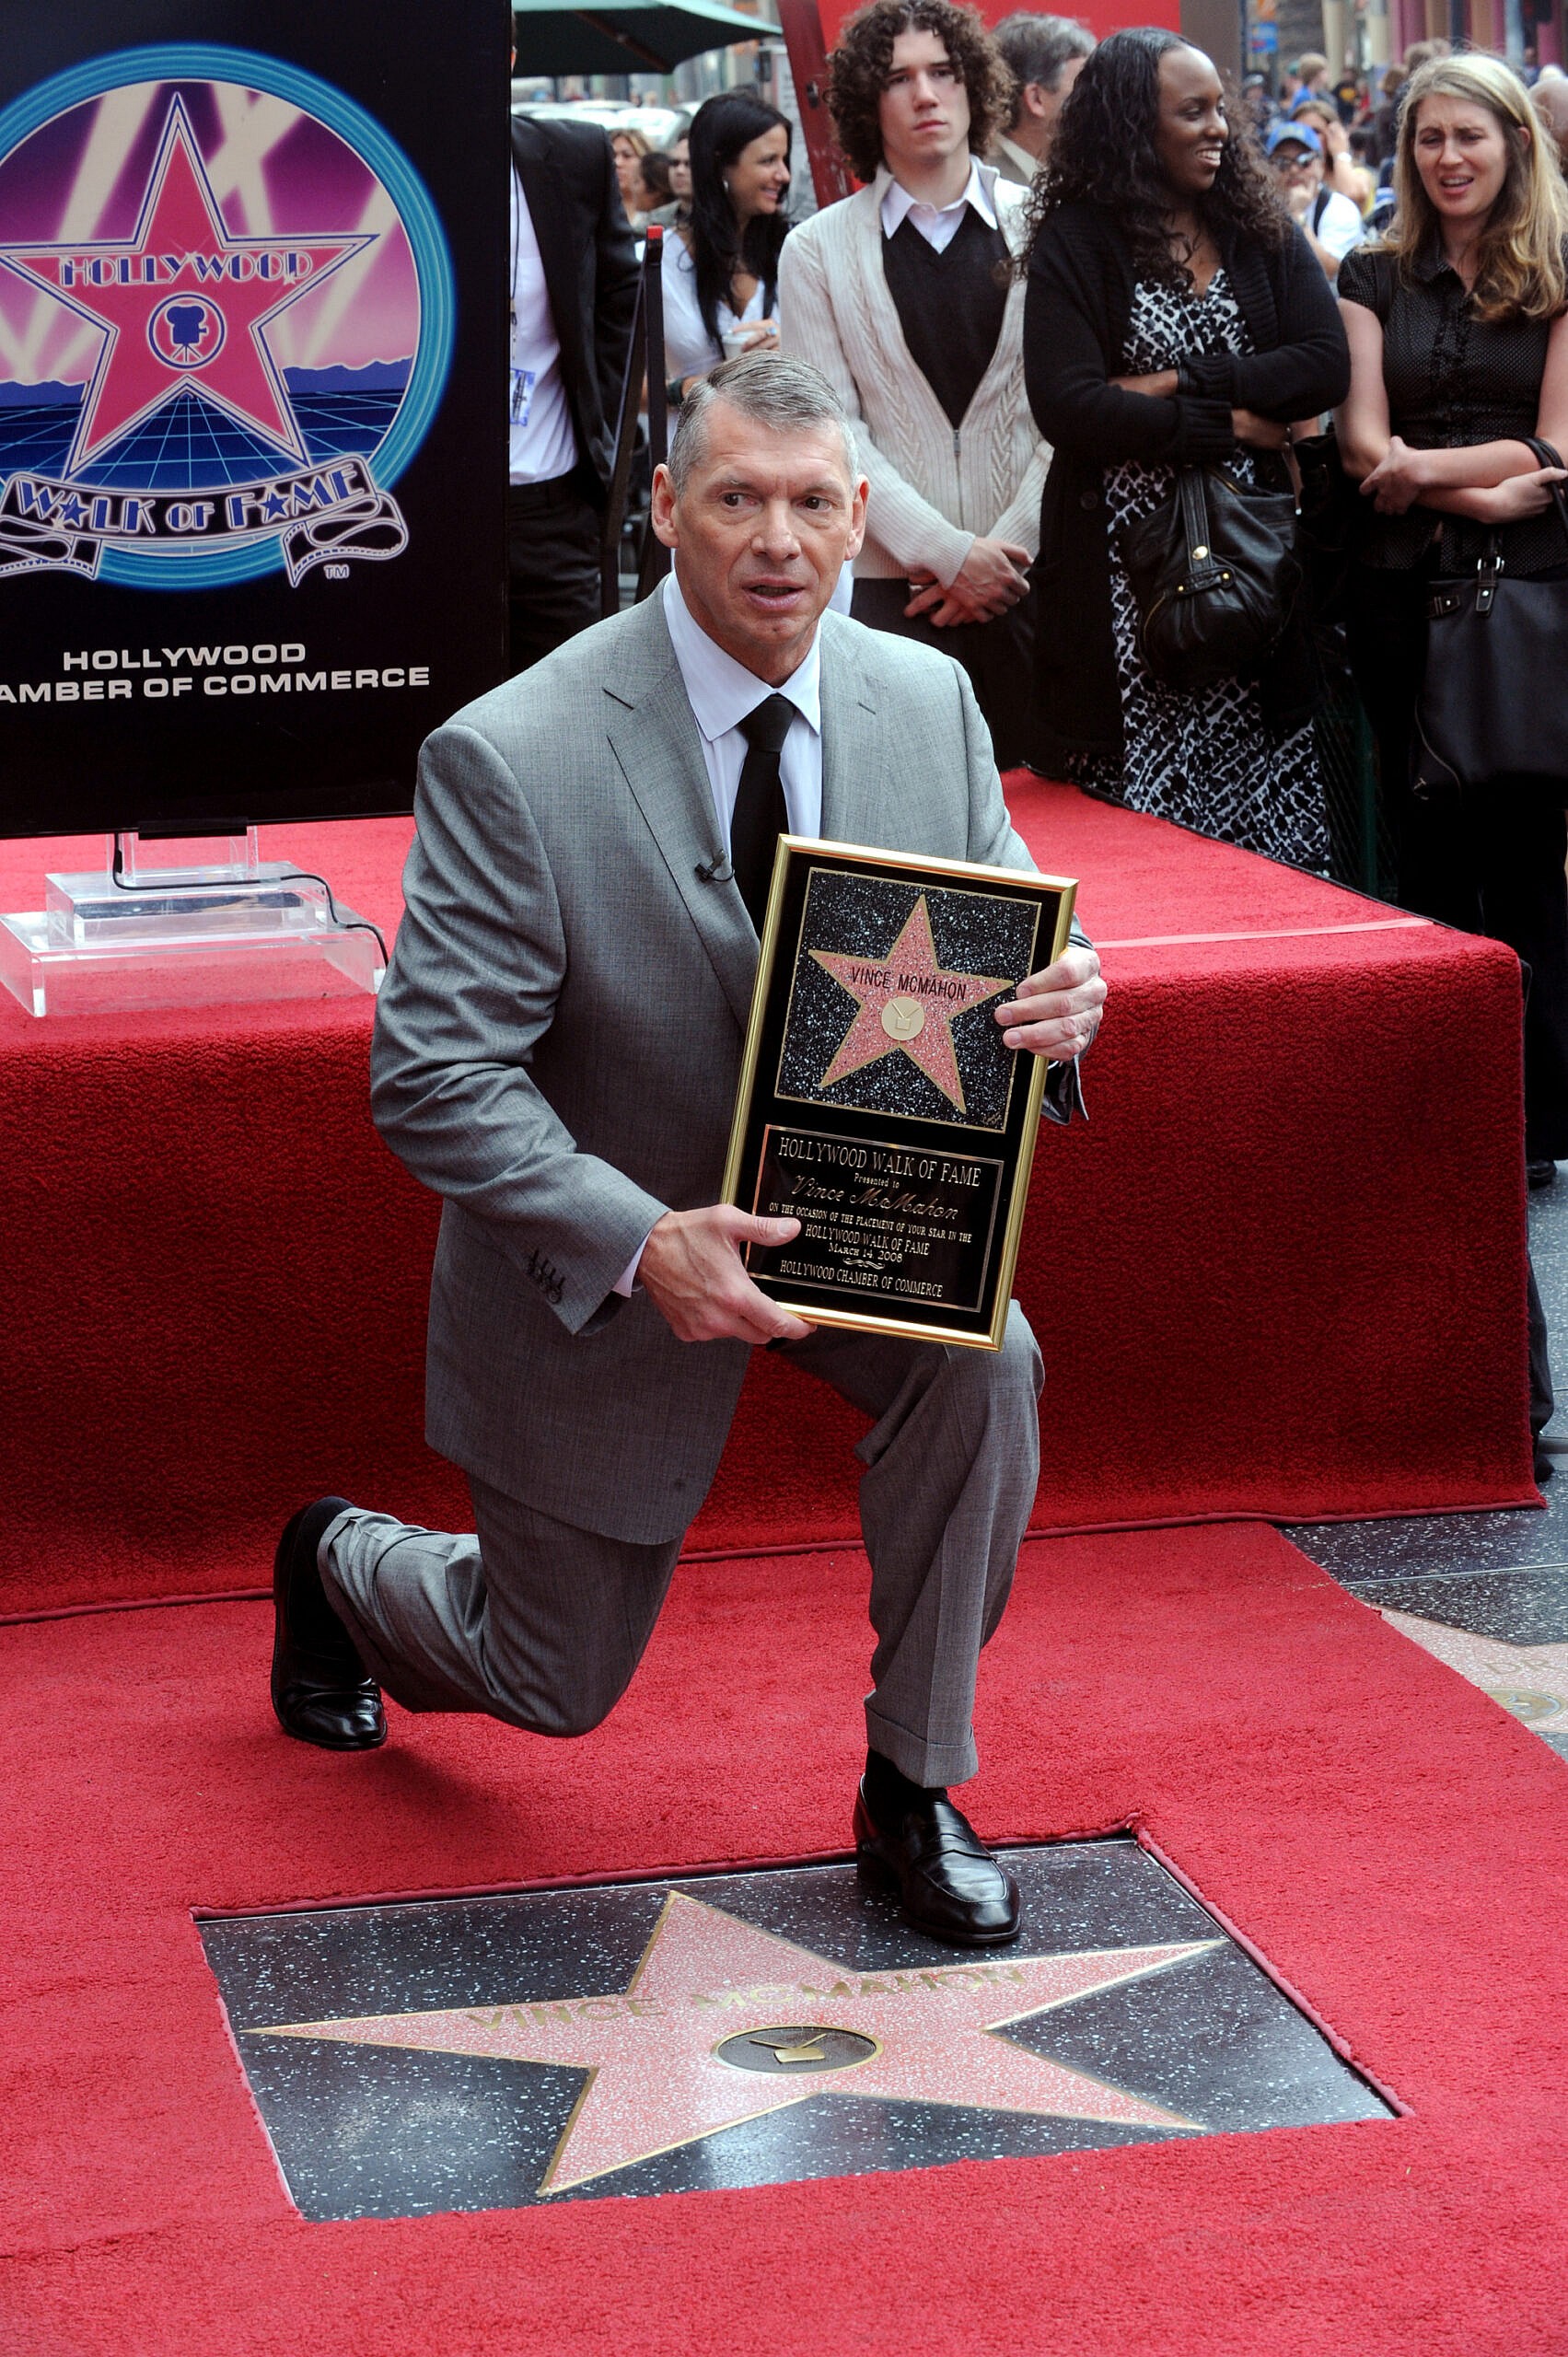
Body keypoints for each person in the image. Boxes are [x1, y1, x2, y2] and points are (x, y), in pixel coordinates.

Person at [267, 354, 1107, 1952]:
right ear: (666, 512)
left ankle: (911, 1786)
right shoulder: (514, 754)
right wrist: (639, 1239)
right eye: (734, 499)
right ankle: (340, 1566)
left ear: (861, 518)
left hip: (863, 1218)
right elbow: (433, 1076)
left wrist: (1069, 993)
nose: (775, 541)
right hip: (612, 1254)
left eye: (809, 503)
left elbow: (1008, 910)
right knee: (547, 1686)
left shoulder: (923, 700)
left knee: (984, 1357)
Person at [1336, 52, 1568, 1231]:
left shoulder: (1563, 268)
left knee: (1526, 850)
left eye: (1467, 135)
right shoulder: (1370, 269)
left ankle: (1532, 1117)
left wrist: (1428, 474)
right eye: (1427, 138)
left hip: (1529, 596)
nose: (1447, 157)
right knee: (1424, 860)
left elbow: (1555, 448)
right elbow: (1360, 444)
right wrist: (1468, 493)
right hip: (1397, 589)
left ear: (1512, 142)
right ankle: (1440, 1110)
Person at [1022, 29, 1348, 865]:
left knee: (1267, 824)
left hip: (1253, 560)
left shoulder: (1255, 226)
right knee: (1142, 845)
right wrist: (1233, 423)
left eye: (1219, 111)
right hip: (1121, 582)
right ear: (1134, 126)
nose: (1217, 130)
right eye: (1190, 112)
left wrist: (1174, 381)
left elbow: (1322, 365)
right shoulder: (1077, 238)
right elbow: (1067, 406)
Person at [780, 0, 1051, 768]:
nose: (925, 95)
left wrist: (1004, 552)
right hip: (888, 592)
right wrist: (944, 551)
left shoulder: (1045, 225)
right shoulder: (815, 251)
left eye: (942, 71)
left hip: (1028, 582)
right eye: (898, 78)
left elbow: (1065, 409)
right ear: (869, 103)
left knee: (1058, 850)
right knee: (894, 852)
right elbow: (829, 429)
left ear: (975, 86)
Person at [507, 89, 639, 672]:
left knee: (565, 722)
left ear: (507, 55)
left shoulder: (573, 155)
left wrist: (600, 411)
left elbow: (620, 290)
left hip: (552, 505)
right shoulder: (378, 158)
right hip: (422, 515)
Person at [663, 93, 790, 393]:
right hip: (696, 437)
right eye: (768, 160)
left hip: (784, 436)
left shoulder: (794, 250)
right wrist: (691, 388)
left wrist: (792, 345)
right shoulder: (656, 263)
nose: (783, 175)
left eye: (784, 160)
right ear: (720, 166)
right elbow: (621, 386)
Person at [989, 13, 1095, 183]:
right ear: (1036, 99)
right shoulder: (988, 186)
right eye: (1083, 89)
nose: (1098, 101)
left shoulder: (1064, 175)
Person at [1266, 120, 1363, 281]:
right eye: (1282, 162)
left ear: (1321, 165)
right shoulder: (1261, 209)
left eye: (1304, 161)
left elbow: (1328, 271)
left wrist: (1297, 216)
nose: (1294, 170)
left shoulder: (1340, 208)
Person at [648, 130, 693, 228]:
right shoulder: (655, 221)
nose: (679, 171)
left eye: (689, 164)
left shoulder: (728, 218)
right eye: (675, 163)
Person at [611, 126, 653, 227]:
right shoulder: (600, 209)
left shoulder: (659, 214)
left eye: (627, 155)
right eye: (612, 156)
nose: (617, 163)